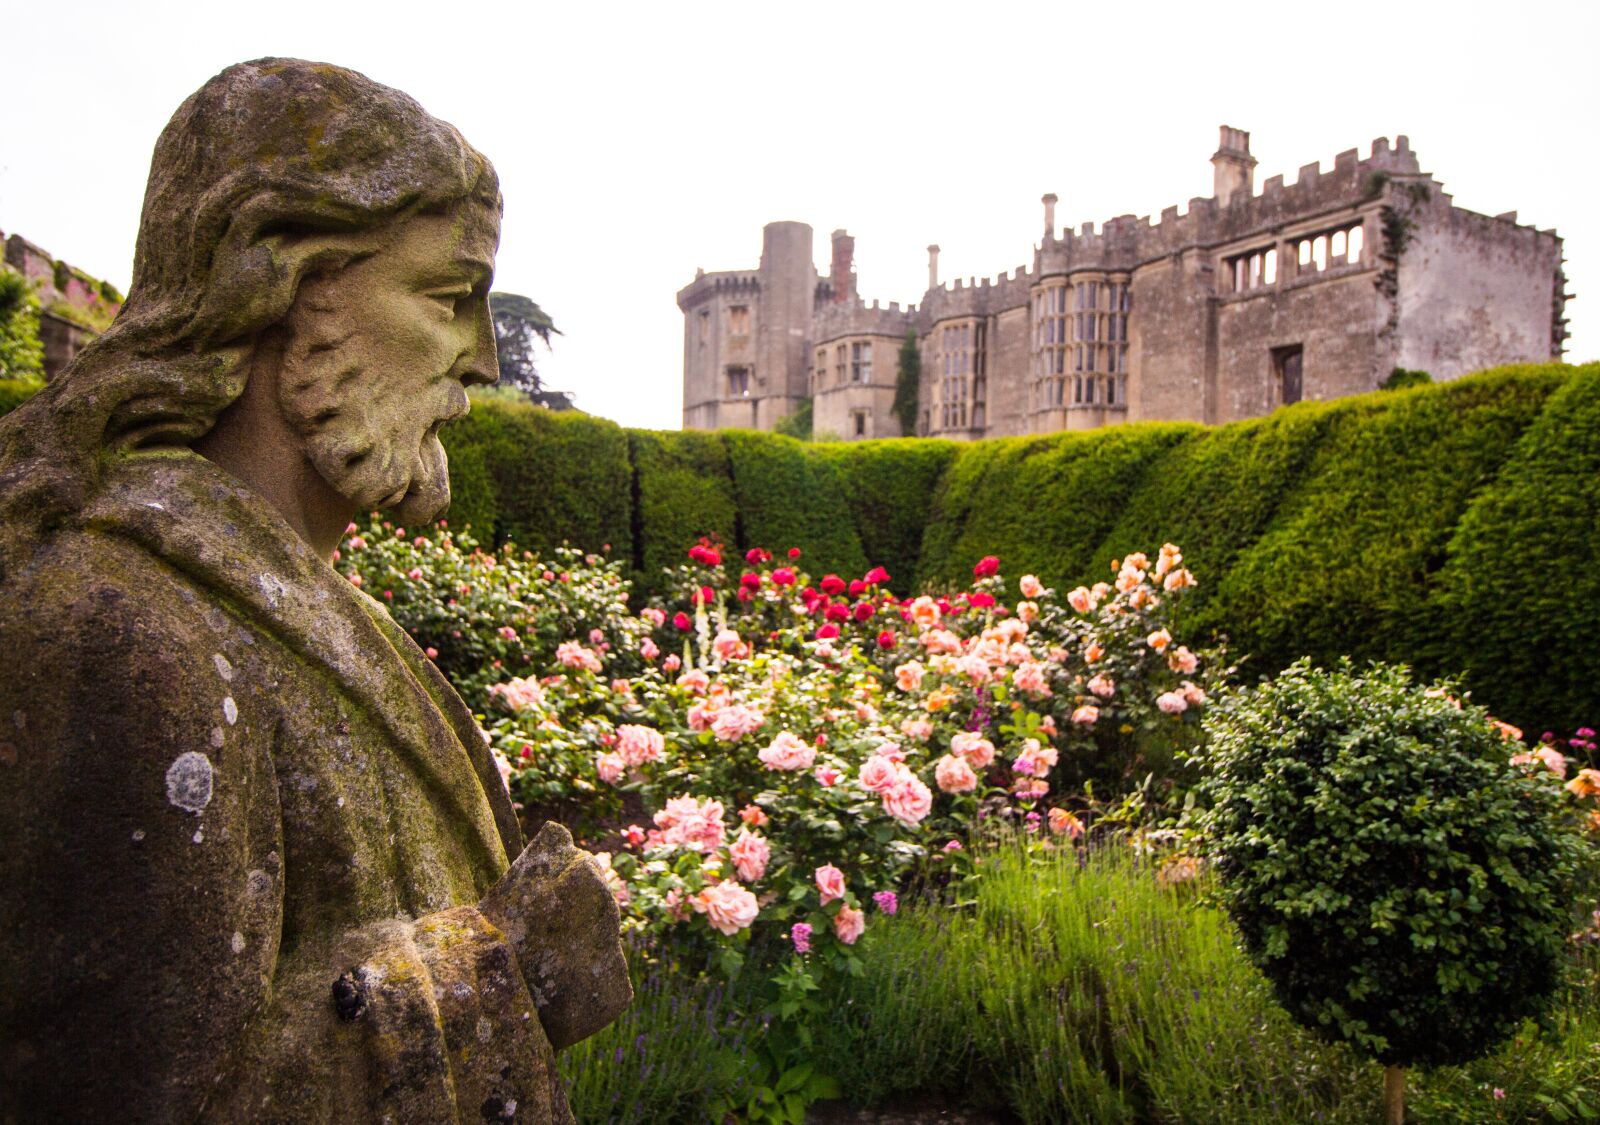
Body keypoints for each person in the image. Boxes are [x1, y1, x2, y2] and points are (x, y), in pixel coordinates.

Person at [0, 59, 628, 1123]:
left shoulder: (314, 608)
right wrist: (504, 963)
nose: (481, 357)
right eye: (447, 297)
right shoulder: (114, 626)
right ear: (281, 289)